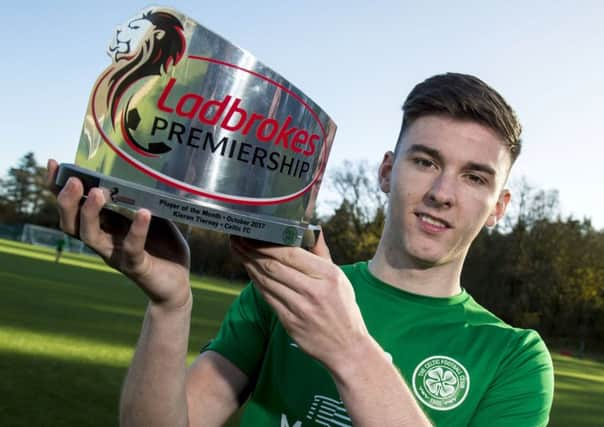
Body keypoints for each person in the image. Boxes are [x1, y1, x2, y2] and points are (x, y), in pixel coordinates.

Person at [47, 72, 554, 427]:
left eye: (473, 177)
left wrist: (349, 348)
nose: (443, 192)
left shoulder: (515, 358)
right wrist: (168, 306)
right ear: (386, 171)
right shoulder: (288, 285)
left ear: (499, 206)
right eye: (424, 161)